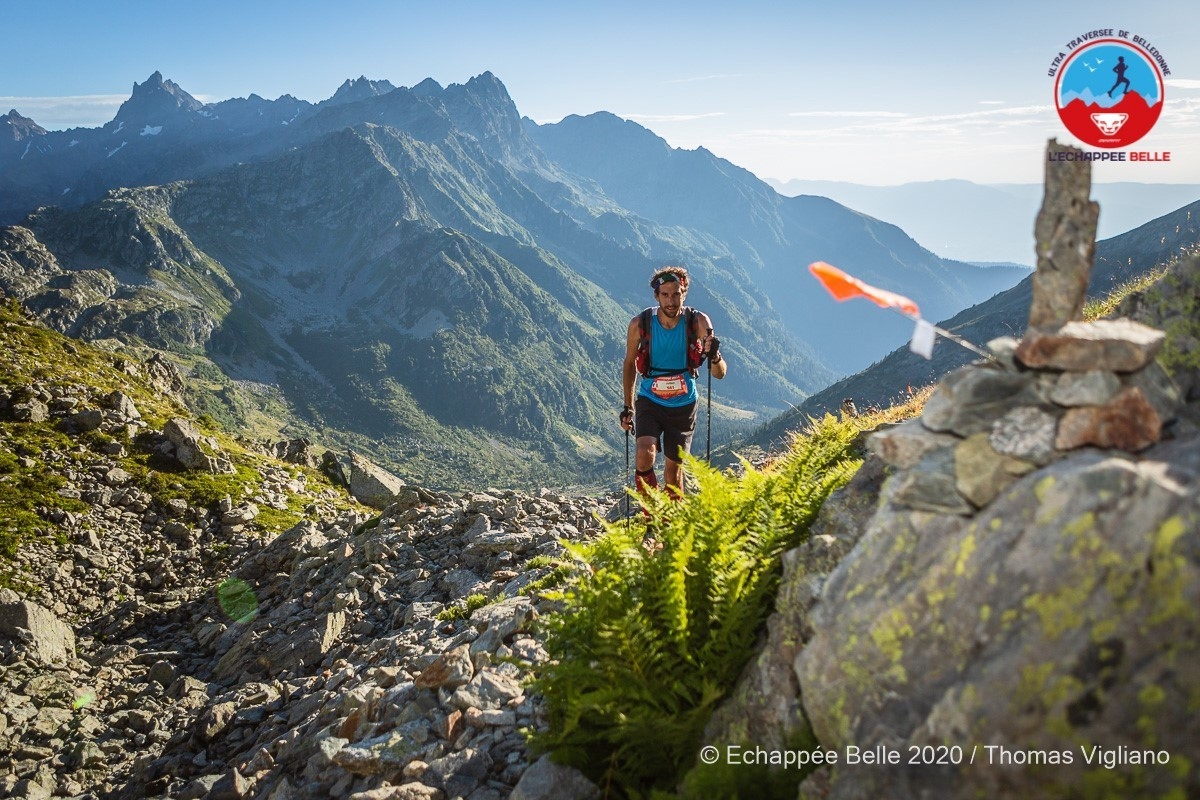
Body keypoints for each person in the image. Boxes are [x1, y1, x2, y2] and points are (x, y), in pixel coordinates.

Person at [620, 266, 726, 497]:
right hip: (650, 399)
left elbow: (719, 373)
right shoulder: (640, 324)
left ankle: (670, 522)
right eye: (665, 295)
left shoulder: (697, 321)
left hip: (684, 404)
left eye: (676, 294)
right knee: (644, 455)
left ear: (684, 293)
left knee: (672, 473)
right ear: (656, 296)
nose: (671, 301)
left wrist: (715, 355)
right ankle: (652, 517)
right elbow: (629, 364)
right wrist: (628, 406)